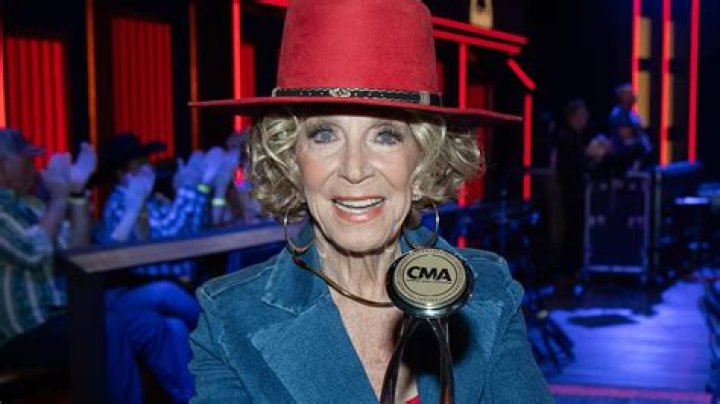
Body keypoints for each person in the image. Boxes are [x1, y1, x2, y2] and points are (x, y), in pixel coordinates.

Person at [189, 0, 552, 402]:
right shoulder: (231, 318)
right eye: (325, 134)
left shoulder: (487, 291)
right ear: (291, 159)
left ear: (423, 161)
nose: (354, 169)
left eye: (385, 136)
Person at [0, 129, 195, 403]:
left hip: (70, 313)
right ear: (3, 164)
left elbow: (77, 253)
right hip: (25, 332)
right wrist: (59, 198)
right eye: (27, 160)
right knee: (113, 321)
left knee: (153, 324)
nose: (35, 167)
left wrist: (78, 193)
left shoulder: (32, 204)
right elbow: (33, 252)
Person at [95, 132, 235, 284]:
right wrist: (191, 185)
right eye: (140, 163)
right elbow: (171, 238)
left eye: (147, 161)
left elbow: (195, 230)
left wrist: (208, 186)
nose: (148, 168)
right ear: (121, 173)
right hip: (153, 285)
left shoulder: (154, 199)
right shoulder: (120, 203)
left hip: (185, 281)